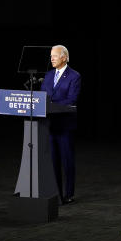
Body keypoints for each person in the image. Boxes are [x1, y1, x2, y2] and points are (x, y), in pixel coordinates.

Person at [41, 44, 81, 204]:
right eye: (51, 56)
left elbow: (72, 99)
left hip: (65, 125)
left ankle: (69, 194)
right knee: (53, 161)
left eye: (54, 56)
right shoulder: (49, 75)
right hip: (50, 125)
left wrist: (51, 105)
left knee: (67, 160)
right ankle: (56, 193)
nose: (51, 58)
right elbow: (43, 96)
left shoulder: (74, 76)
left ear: (64, 57)